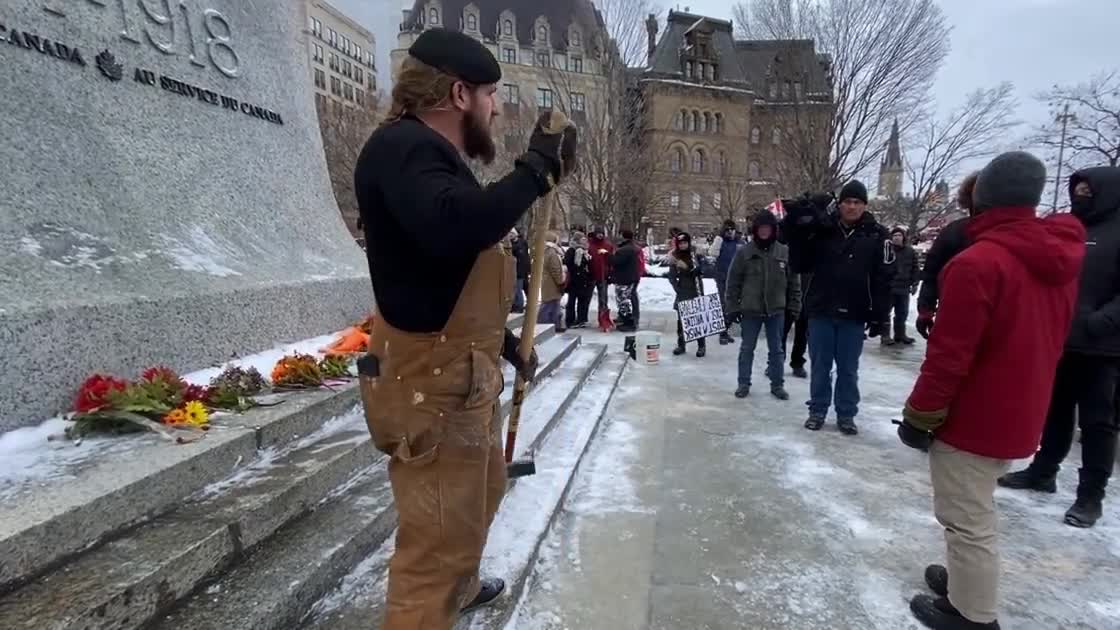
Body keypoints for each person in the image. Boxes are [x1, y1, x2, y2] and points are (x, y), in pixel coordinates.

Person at [353, 28, 577, 630]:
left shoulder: (434, 158)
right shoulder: (402, 149)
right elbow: (457, 229)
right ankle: (435, 600)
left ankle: (463, 585)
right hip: (431, 386)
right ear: (458, 94)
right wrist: (536, 169)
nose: (499, 107)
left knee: (479, 500)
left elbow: (445, 271)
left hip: (462, 375)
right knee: (434, 546)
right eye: (492, 94)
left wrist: (505, 346)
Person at [896, 152, 1085, 630]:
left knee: (966, 518)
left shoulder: (978, 263)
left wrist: (920, 417)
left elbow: (948, 357)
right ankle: (966, 582)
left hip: (974, 417)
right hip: (1023, 408)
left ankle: (973, 615)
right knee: (975, 507)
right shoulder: (1059, 260)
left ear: (981, 198)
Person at [997, 165, 1120, 528]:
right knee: (1055, 411)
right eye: (1076, 189)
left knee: (1098, 423)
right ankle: (1044, 470)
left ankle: (1090, 496)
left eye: (1088, 190)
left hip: (1103, 349)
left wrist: (1101, 322)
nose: (1080, 195)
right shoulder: (1069, 229)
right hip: (1061, 340)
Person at [784, 180, 891, 436]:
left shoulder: (877, 234)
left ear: (864, 205)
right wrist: (800, 226)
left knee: (847, 368)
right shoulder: (824, 229)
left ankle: (846, 413)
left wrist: (880, 315)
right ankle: (817, 410)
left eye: (857, 202)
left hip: (854, 312)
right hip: (821, 308)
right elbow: (799, 262)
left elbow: (884, 276)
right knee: (820, 365)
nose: (851, 207)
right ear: (840, 204)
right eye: (847, 202)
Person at [726, 210, 801, 400]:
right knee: (747, 348)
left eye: (768, 228)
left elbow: (794, 283)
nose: (764, 232)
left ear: (773, 230)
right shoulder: (745, 253)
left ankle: (777, 385)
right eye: (761, 228)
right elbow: (733, 282)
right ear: (756, 230)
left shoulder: (783, 252)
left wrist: (794, 306)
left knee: (776, 350)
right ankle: (743, 383)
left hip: (776, 310)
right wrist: (733, 306)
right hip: (751, 310)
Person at [916, 174, 977, 339]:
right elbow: (931, 274)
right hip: (956, 316)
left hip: (959, 317)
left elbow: (931, 275)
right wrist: (925, 311)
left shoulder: (954, 231)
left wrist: (925, 311)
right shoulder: (954, 232)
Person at [667, 232, 708, 357]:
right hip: (683, 290)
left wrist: (698, 269)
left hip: (696, 290)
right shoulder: (675, 257)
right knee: (682, 320)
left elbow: (705, 267)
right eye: (681, 243)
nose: (683, 245)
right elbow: (672, 275)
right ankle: (681, 344)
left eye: (685, 243)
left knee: (697, 319)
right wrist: (677, 287)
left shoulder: (695, 254)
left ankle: (701, 345)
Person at [884, 226, 921, 346]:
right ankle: (885, 336)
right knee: (886, 312)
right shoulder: (887, 250)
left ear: (903, 237)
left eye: (899, 235)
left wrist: (915, 283)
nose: (896, 238)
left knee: (902, 313)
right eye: (894, 236)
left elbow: (915, 268)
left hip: (904, 287)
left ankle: (900, 334)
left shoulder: (910, 251)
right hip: (889, 287)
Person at [710, 219, 742, 345]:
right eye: (727, 230)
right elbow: (712, 253)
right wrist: (718, 239)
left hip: (736, 278)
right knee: (724, 304)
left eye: (731, 230)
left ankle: (726, 329)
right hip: (722, 277)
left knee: (734, 306)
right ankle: (722, 332)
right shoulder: (720, 241)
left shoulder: (738, 242)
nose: (730, 232)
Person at [612, 230, 642, 332]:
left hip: (624, 278)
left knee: (624, 300)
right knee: (629, 298)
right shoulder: (634, 248)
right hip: (632, 277)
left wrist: (608, 255)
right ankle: (630, 319)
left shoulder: (624, 250)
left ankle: (629, 322)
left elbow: (615, 261)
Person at [563, 231, 594, 328]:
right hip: (574, 280)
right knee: (571, 301)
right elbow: (568, 264)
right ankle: (570, 320)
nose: (584, 240)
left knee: (582, 300)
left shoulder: (584, 251)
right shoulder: (572, 250)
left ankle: (581, 319)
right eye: (581, 239)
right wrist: (577, 269)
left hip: (583, 280)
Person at [538, 231, 567, 332]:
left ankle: (554, 324)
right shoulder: (552, 252)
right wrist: (560, 281)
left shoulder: (545, 251)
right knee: (550, 305)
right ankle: (548, 325)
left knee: (552, 304)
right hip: (552, 283)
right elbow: (556, 269)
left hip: (547, 281)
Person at [588, 228, 615, 331]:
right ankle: (582, 318)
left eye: (602, 234)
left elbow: (611, 260)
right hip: (591, 275)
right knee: (586, 298)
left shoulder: (608, 245)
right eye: (598, 234)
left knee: (603, 298)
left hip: (603, 275)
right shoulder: (590, 245)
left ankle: (602, 318)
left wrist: (610, 273)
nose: (600, 236)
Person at [510, 228, 530, 313]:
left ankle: (519, 307)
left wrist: (528, 269)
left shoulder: (521, 243)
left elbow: (525, 257)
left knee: (518, 290)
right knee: (515, 290)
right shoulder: (512, 243)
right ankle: (516, 305)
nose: (510, 235)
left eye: (512, 233)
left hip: (520, 271)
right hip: (514, 270)